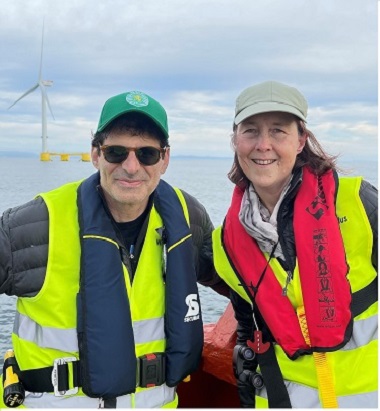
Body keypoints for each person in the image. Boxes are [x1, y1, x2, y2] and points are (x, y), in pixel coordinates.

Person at [0, 90, 227, 408]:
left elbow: (234, 280)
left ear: (165, 159)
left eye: (147, 154)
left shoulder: (188, 219)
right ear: (95, 154)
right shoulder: (33, 225)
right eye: (116, 152)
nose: (131, 167)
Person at [212, 81, 378, 408]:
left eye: (278, 131)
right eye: (250, 131)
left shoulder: (358, 204)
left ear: (301, 140)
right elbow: (249, 330)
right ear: (235, 140)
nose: (263, 145)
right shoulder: (225, 244)